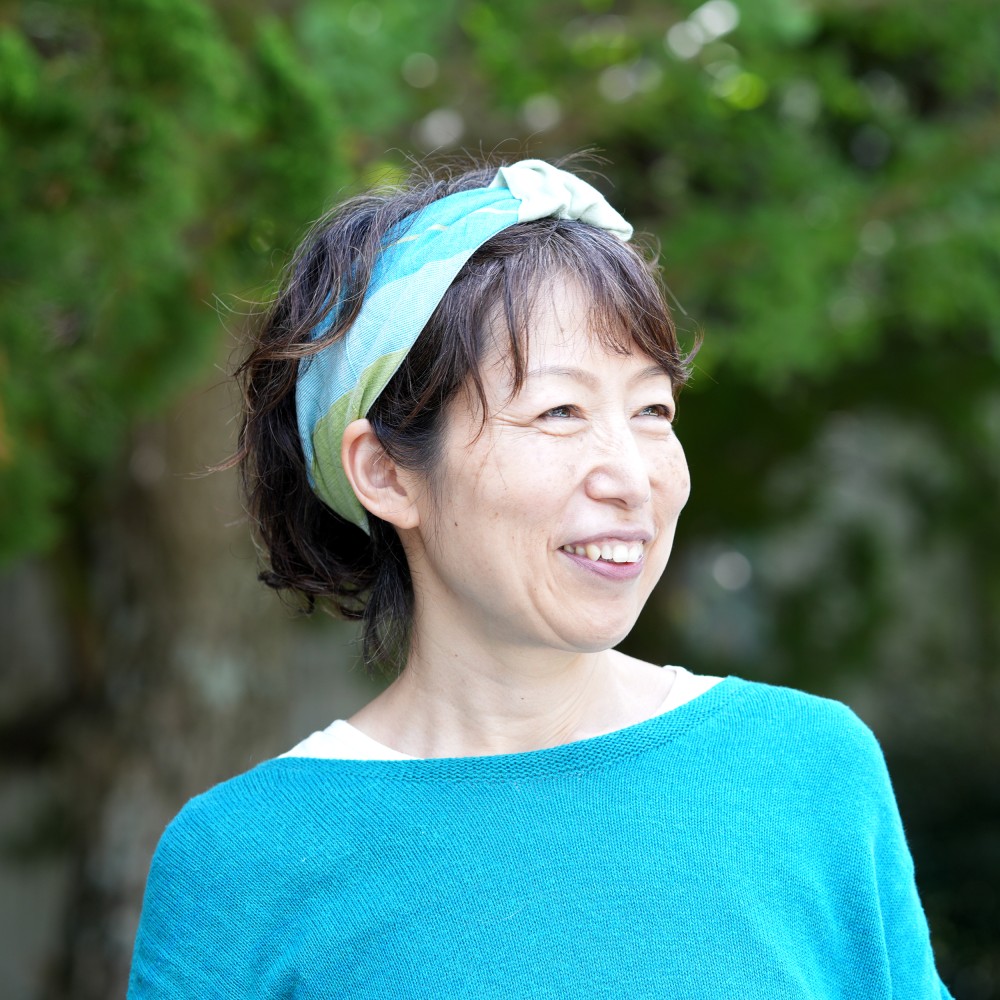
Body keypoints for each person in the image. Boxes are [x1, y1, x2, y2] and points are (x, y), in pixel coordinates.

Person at [128, 158, 952, 998]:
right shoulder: (244, 860)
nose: (631, 478)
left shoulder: (807, 768)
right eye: (560, 411)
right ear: (385, 473)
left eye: (652, 410)